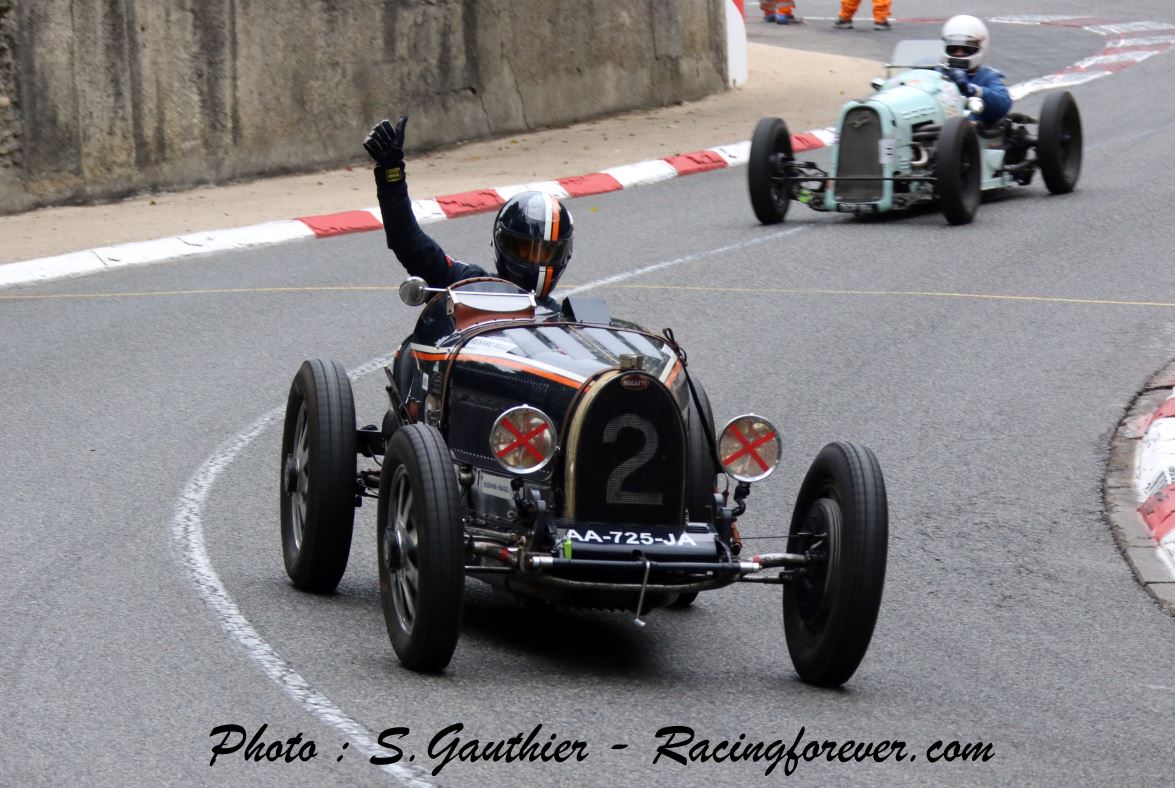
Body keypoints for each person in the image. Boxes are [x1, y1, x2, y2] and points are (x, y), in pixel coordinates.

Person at [363, 115, 574, 309]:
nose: (535, 262)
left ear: (563, 256)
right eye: (525, 250)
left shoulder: (569, 325)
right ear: (501, 245)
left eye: (547, 253)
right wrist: (391, 176)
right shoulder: (468, 283)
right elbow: (408, 243)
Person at [940, 15, 1012, 127]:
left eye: (967, 49)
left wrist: (972, 90)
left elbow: (1003, 105)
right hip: (938, 122)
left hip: (972, 131)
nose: (959, 53)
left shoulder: (989, 76)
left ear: (981, 47)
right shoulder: (937, 73)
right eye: (953, 48)